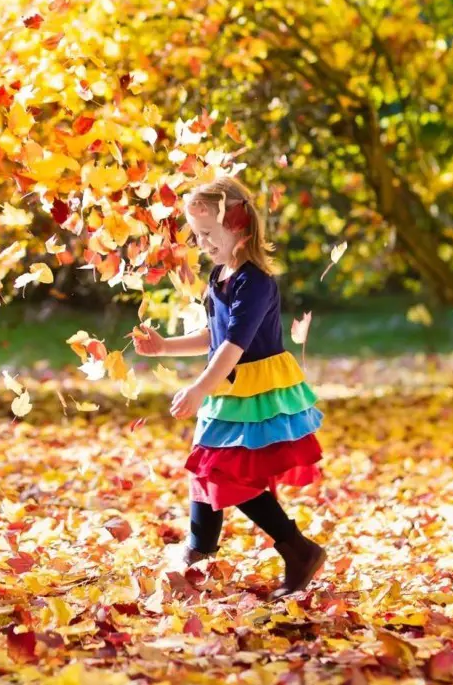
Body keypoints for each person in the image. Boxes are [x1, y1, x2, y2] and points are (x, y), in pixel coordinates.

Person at [133, 176, 326, 599]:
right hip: (227, 386)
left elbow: (235, 344)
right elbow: (213, 335)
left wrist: (201, 388)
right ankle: (198, 553)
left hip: (252, 389)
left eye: (207, 234)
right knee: (207, 468)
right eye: (197, 235)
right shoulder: (221, 274)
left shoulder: (254, 282)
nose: (201, 243)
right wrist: (165, 345)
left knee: (221, 471)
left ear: (238, 226)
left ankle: (296, 549)